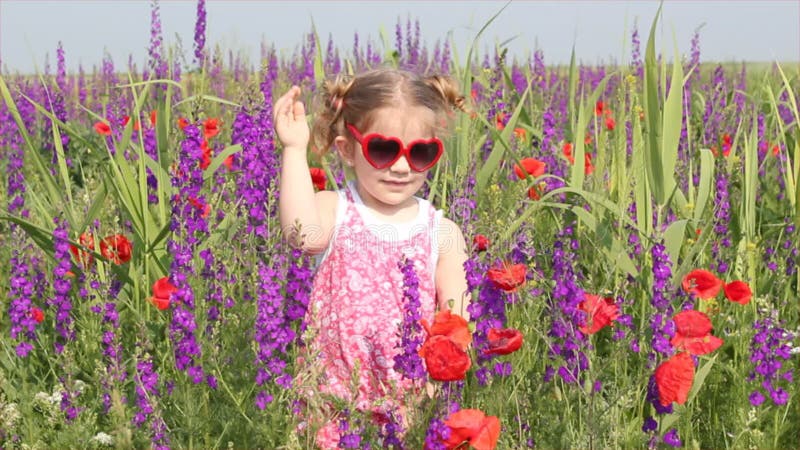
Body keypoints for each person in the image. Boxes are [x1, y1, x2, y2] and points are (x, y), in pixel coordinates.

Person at [273, 68, 469, 448]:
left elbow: (457, 327)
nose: (401, 166)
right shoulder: (335, 210)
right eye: (383, 149)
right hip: (331, 412)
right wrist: (295, 150)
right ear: (347, 149)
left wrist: (430, 396)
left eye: (420, 153)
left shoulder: (443, 233)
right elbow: (301, 236)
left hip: (410, 414)